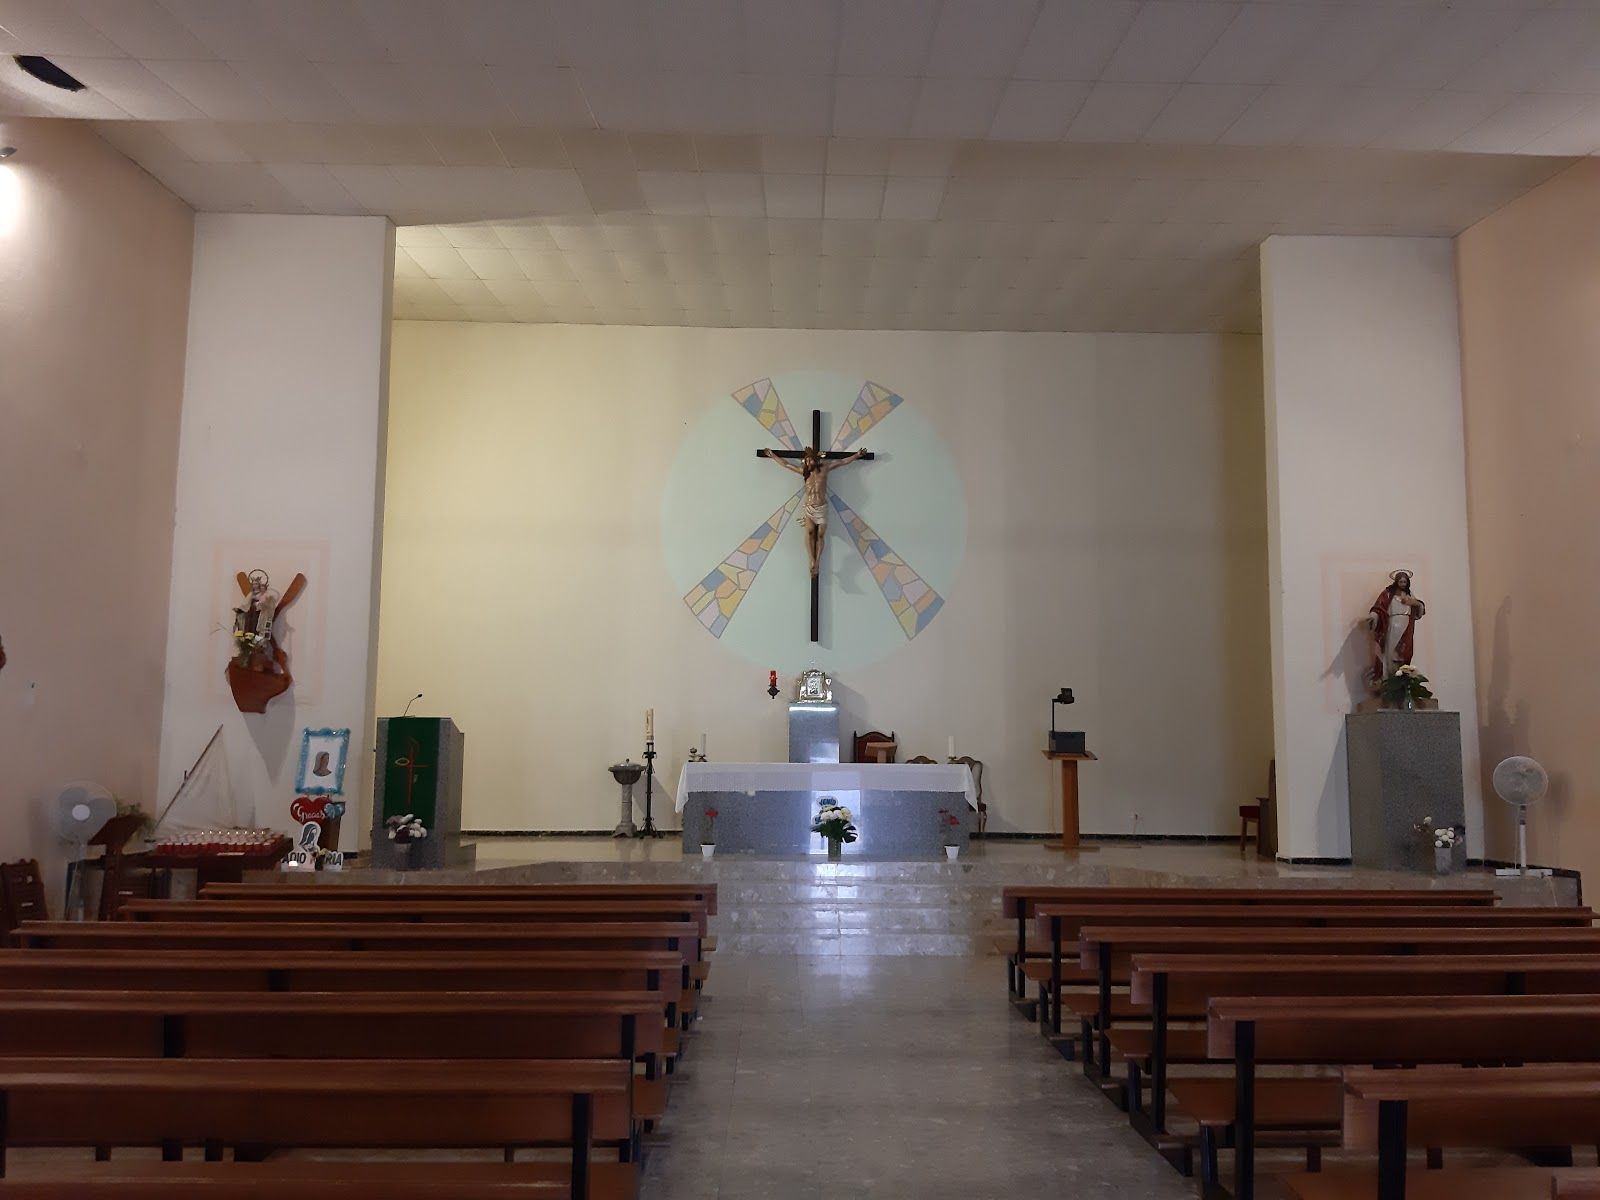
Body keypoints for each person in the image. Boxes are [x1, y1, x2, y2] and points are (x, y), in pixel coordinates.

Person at [761, 445, 867, 576]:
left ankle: (817, 562)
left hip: (821, 508)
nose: (807, 463)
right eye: (806, 461)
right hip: (810, 508)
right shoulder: (804, 472)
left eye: (809, 460)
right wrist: (773, 455)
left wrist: (857, 455)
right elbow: (786, 464)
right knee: (810, 533)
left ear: (815, 460)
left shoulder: (824, 469)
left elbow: (842, 462)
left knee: (821, 535)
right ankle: (812, 560)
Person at [1367, 569, 1425, 684]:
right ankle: (1388, 679)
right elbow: (1379, 608)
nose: (1403, 584)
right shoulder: (1388, 594)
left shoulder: (1409, 595)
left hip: (1406, 626)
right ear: (1396, 582)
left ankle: (1402, 679)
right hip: (1392, 624)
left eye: (1405, 582)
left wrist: (1416, 604)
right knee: (1390, 652)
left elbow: (1419, 609)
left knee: (1404, 652)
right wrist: (1373, 617)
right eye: (1401, 582)